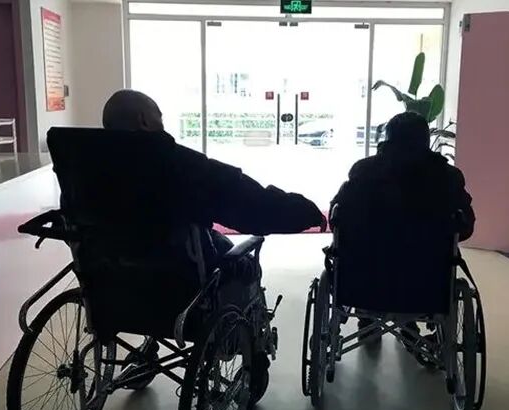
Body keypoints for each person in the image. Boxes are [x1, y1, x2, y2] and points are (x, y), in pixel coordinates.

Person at [101, 88, 325, 273]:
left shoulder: (91, 168)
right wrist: (306, 212)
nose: (162, 123)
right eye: (159, 116)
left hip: (111, 289)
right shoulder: (181, 166)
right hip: (181, 288)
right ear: (143, 121)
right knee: (246, 267)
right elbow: (254, 208)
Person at [331, 111, 475, 344]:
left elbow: (338, 217)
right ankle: (410, 321)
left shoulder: (364, 171)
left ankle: (367, 318)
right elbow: (466, 226)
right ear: (426, 140)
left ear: (388, 138)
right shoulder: (447, 177)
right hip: (427, 286)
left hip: (364, 283)